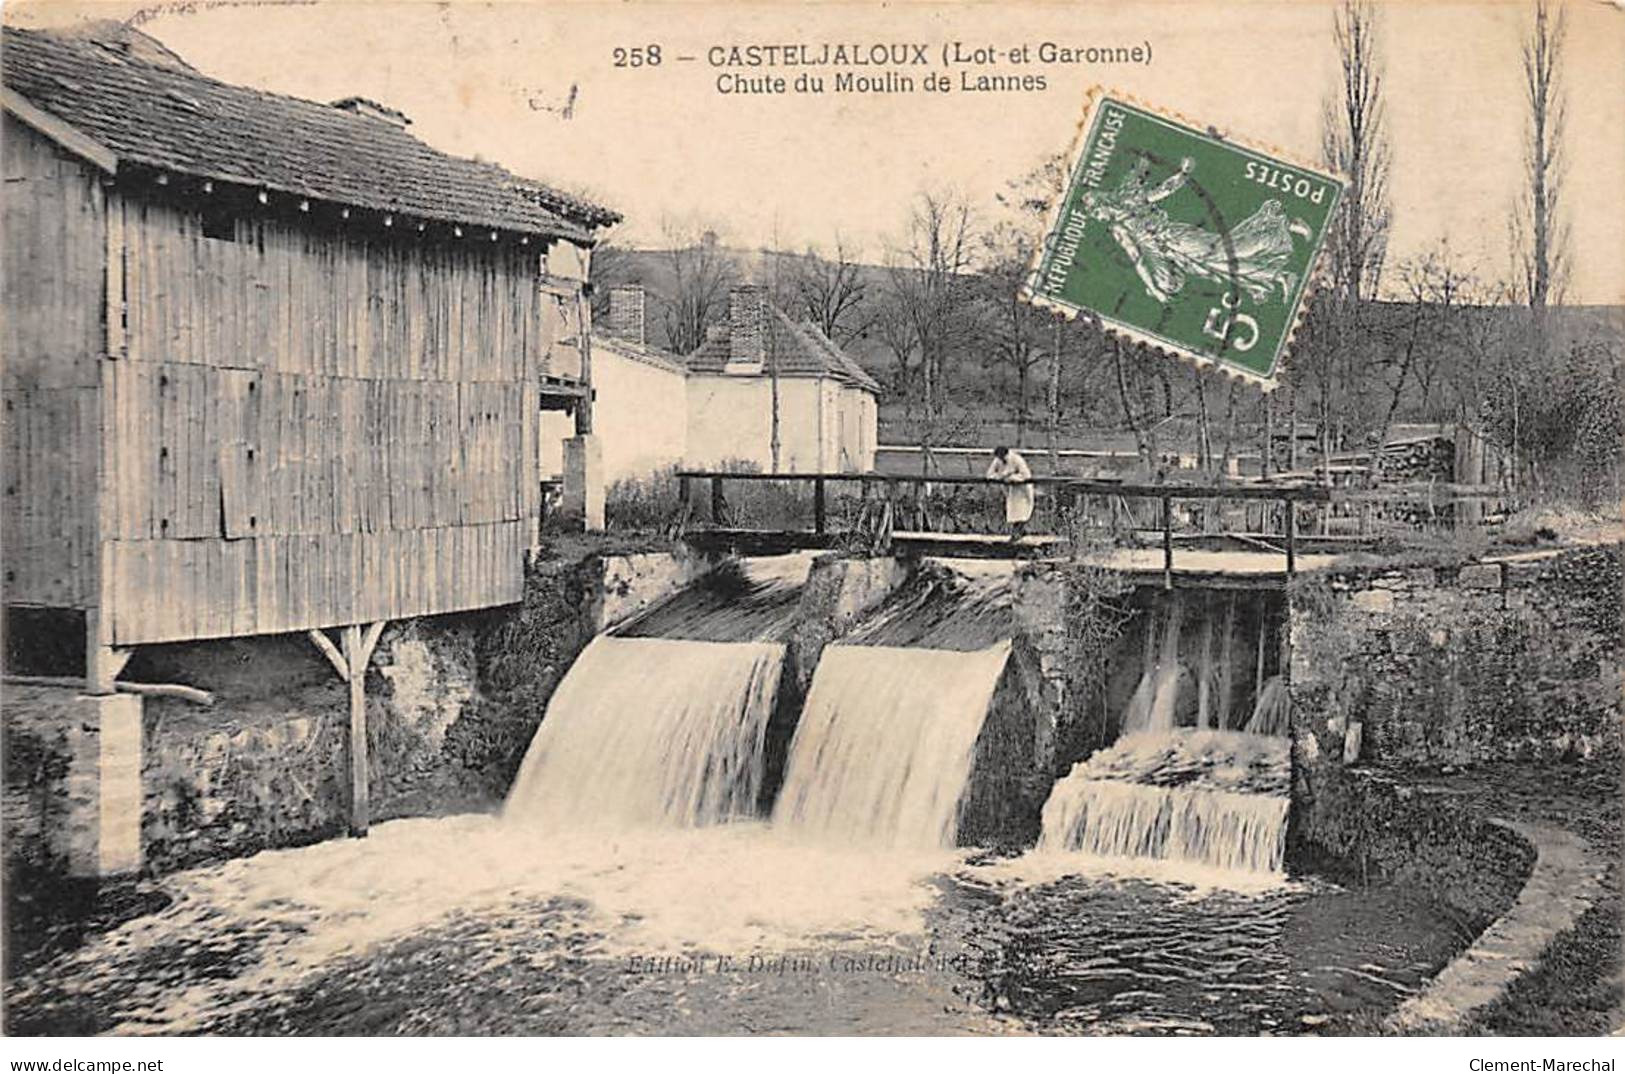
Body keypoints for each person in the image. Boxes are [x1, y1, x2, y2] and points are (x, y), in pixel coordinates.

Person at [986, 445, 1034, 540]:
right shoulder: (998, 460)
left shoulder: (1017, 459)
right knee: (1013, 511)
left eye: (1001, 457)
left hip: (1022, 489)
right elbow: (989, 474)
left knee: (1022, 510)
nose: (1000, 459)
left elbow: (1026, 475)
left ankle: (1018, 533)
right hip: (1012, 490)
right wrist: (1000, 476)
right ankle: (1018, 533)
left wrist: (1012, 477)